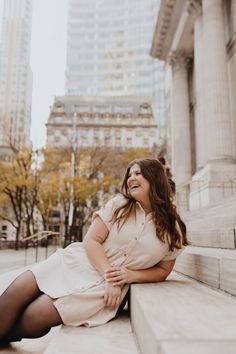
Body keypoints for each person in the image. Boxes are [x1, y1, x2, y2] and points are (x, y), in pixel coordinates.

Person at [0, 158, 189, 345]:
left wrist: (132, 275)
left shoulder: (174, 230)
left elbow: (163, 270)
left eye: (138, 173)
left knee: (36, 316)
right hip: (79, 262)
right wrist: (110, 276)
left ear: (155, 178)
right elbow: (92, 240)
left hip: (100, 290)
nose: (131, 178)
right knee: (17, 291)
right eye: (129, 175)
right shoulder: (119, 205)